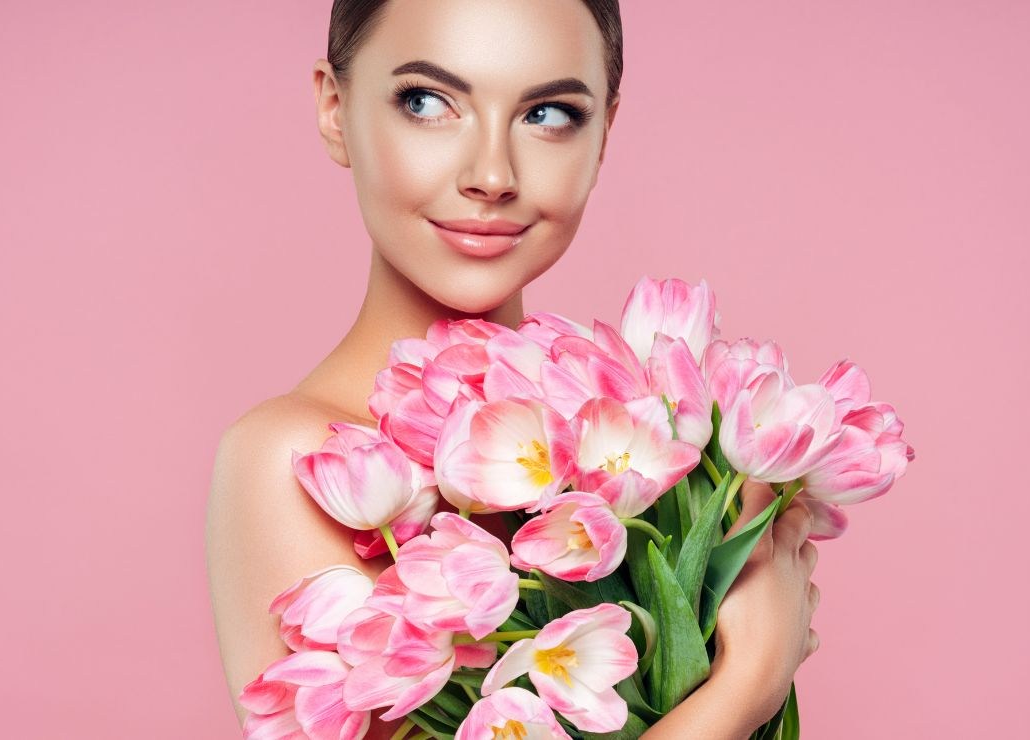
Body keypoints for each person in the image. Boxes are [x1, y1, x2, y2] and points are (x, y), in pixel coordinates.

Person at [205, 1, 821, 737]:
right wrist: (747, 680)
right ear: (335, 109)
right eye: (428, 102)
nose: (492, 173)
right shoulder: (294, 461)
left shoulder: (647, 455)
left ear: (603, 135)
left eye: (549, 114)